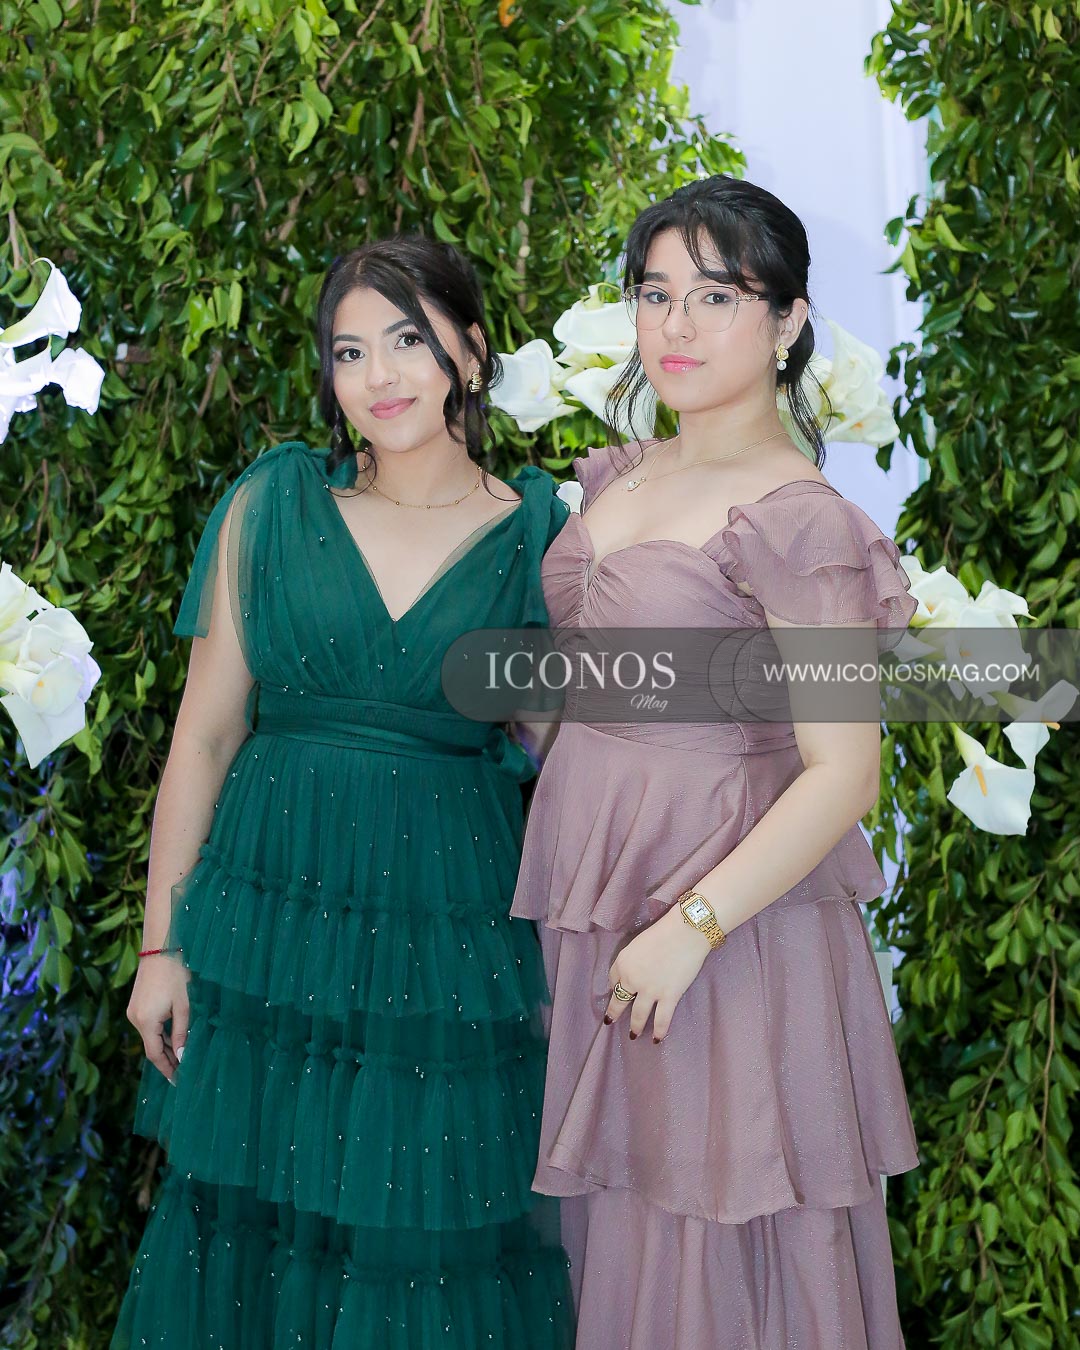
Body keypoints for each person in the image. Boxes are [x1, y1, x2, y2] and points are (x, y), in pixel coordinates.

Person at [113, 235, 574, 1349]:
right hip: (270, 931)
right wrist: (161, 947)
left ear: (473, 351)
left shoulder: (539, 536)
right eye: (350, 351)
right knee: (255, 1234)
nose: (379, 375)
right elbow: (203, 738)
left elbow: (572, 754)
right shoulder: (273, 506)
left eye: (408, 339)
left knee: (418, 1243)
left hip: (444, 940)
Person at [511, 175, 921, 1348]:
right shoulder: (622, 473)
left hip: (726, 914)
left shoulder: (800, 517)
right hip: (599, 886)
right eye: (655, 294)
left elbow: (844, 773)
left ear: (788, 321)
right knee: (623, 1217)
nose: (676, 326)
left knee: (716, 1220)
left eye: (717, 296)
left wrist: (692, 926)